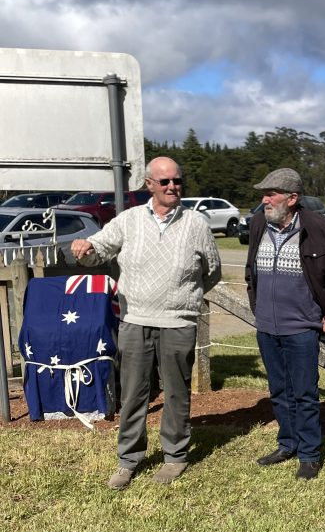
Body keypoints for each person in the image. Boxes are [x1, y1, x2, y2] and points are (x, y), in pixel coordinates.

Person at [71, 156, 221, 489]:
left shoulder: (196, 224)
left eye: (177, 181)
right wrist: (86, 248)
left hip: (178, 323)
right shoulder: (129, 220)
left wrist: (184, 297)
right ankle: (128, 460)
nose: (172, 187)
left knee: (177, 393)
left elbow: (212, 271)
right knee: (134, 394)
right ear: (149, 184)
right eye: (165, 181)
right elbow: (99, 250)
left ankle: (175, 457)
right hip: (135, 321)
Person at [245, 168, 325, 480]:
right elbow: (250, 271)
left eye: (271, 194)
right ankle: (287, 443)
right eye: (263, 194)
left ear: (292, 198)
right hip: (267, 328)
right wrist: (257, 308)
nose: (264, 200)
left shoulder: (319, 228)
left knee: (305, 394)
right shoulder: (258, 224)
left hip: (302, 329)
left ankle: (309, 454)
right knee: (278, 390)